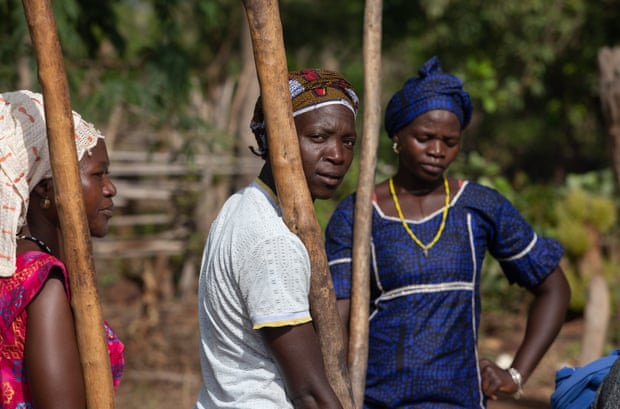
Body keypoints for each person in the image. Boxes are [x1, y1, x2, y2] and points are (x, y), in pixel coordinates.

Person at [325, 56, 571, 408]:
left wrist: (515, 375)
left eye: (449, 141)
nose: (437, 151)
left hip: (462, 401)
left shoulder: (479, 206)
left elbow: (554, 287)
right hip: (378, 401)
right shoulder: (360, 213)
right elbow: (336, 321)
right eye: (424, 138)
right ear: (397, 136)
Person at [194, 69, 359, 409]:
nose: (338, 155)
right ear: (274, 139)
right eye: (318, 137)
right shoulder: (271, 239)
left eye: (347, 142)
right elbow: (309, 393)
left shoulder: (242, 205)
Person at [0, 90, 124, 409]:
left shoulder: (14, 267)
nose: (110, 189)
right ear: (45, 186)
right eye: (98, 174)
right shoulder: (42, 281)